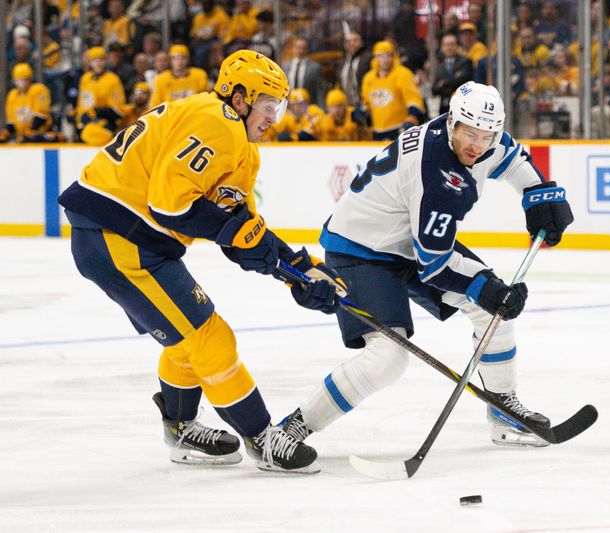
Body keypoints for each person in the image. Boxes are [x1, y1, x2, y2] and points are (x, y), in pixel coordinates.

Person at [57, 50, 344, 474]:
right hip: (115, 234)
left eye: (279, 108)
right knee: (210, 336)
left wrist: (298, 269)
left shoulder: (239, 144)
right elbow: (170, 207)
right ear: (241, 98)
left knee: (185, 336)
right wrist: (249, 243)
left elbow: (240, 227)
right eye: (268, 106)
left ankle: (181, 428)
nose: (274, 118)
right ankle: (262, 438)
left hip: (130, 238)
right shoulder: (215, 119)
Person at [276, 81, 574, 456]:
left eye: (486, 136)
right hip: (361, 249)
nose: (476, 145)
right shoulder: (436, 173)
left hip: (408, 239)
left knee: (493, 313)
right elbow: (434, 264)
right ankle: (290, 428)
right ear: (451, 122)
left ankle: (503, 410)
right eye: (469, 133)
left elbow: (512, 157)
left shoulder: (484, 139)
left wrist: (537, 192)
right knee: (387, 359)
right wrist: (488, 287)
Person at [359, 40, 426, 141]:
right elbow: (366, 102)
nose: (385, 59)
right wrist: (362, 111)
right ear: (375, 57)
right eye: (381, 55)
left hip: (399, 129)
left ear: (394, 56)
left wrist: (412, 117)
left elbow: (414, 99)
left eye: (389, 55)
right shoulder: (368, 78)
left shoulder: (403, 74)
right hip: (377, 130)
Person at [0, 63, 61, 143]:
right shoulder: (12, 95)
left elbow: (41, 116)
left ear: (29, 78)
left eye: (24, 79)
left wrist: (30, 132)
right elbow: (12, 122)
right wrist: (5, 133)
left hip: (41, 132)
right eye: (18, 79)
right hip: (22, 136)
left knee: (37, 138)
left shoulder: (39, 89)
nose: (21, 82)